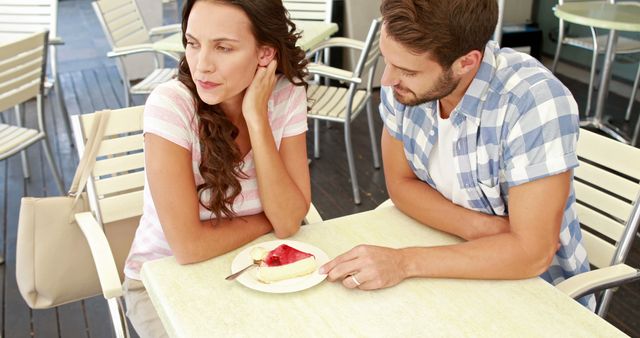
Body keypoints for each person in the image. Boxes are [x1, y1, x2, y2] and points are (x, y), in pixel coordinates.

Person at [320, 0, 594, 310]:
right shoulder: (404, 84)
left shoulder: (533, 102)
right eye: (387, 59)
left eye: (407, 71)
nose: (386, 80)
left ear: (466, 62)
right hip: (448, 253)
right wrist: (486, 229)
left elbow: (533, 254)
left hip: (537, 294)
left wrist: (404, 262)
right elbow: (400, 184)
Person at [123, 0, 311, 336]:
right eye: (192, 44)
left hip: (258, 265)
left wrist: (257, 119)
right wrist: (273, 218)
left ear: (264, 54)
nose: (202, 66)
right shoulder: (172, 105)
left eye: (223, 47)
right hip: (166, 281)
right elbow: (188, 247)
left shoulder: (285, 95)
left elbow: (289, 221)